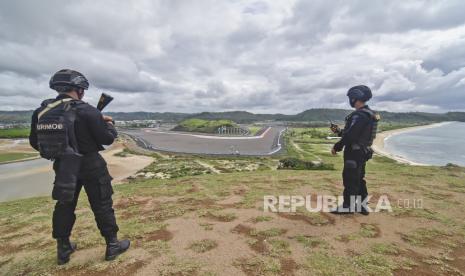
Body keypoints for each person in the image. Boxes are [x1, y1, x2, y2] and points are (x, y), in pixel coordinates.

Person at [29, 69, 130, 264]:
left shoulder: (41, 112)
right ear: (79, 90)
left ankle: (63, 248)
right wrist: (109, 124)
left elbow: (35, 142)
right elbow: (107, 139)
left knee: (64, 205)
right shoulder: (88, 110)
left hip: (64, 165)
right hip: (91, 164)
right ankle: (112, 245)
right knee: (102, 205)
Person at [330, 85, 380, 215]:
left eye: (351, 98)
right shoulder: (370, 114)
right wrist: (339, 131)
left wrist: (337, 146)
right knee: (359, 178)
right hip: (363, 151)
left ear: (354, 98)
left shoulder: (359, 115)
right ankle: (362, 206)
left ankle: (348, 206)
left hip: (354, 152)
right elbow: (356, 134)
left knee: (350, 179)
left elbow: (351, 136)